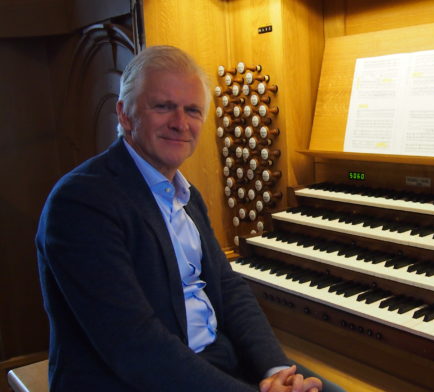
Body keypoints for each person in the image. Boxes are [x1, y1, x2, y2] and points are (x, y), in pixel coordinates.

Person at [36, 45, 339, 392]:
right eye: (163, 106)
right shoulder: (81, 203)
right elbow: (134, 346)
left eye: (192, 110)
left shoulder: (186, 195)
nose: (180, 123)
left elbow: (228, 288)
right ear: (124, 114)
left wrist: (275, 370)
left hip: (214, 363)